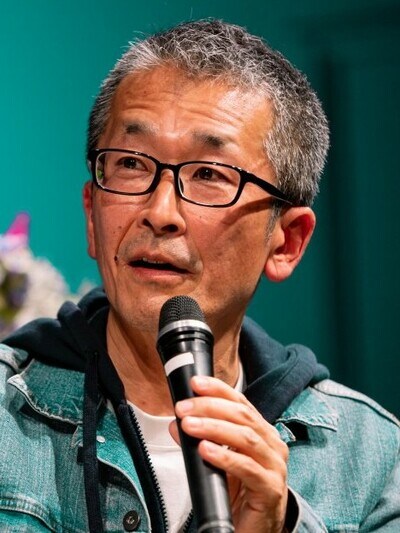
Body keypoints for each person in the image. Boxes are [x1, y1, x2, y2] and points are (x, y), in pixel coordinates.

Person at [0, 19, 399, 533]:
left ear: (287, 241)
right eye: (131, 164)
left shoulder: (373, 461)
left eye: (209, 174)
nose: (160, 212)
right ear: (92, 216)